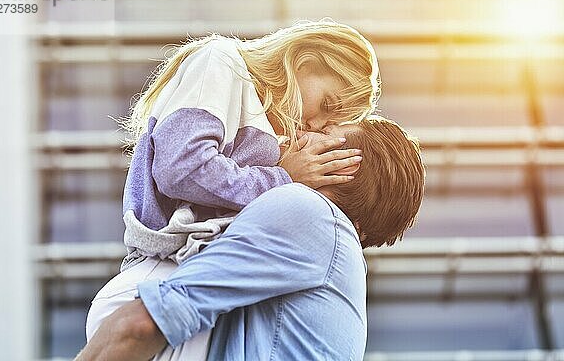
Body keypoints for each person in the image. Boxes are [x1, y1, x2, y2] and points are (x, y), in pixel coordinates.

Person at [84, 18, 383, 359]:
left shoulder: (272, 131)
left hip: (183, 273)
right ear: (306, 61)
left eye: (329, 123)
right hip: (159, 270)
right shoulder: (223, 62)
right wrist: (284, 180)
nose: (314, 123)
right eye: (327, 104)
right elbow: (181, 167)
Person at [75, 117, 426, 361]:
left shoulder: (309, 210)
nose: (301, 131)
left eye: (327, 130)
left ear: (342, 164)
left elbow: (142, 325)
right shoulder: (330, 252)